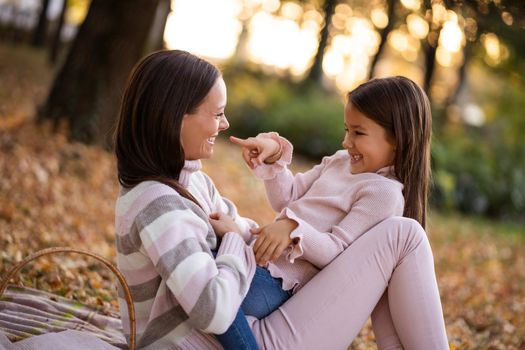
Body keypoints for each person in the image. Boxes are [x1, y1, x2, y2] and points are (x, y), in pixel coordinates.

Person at [114, 50, 449, 350]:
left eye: (358, 133)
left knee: (404, 236)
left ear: (398, 139)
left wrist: (272, 230)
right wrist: (271, 180)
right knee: (407, 236)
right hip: (221, 329)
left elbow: (242, 228)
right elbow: (215, 304)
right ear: (175, 116)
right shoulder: (159, 202)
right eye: (217, 114)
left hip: (267, 296)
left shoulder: (193, 183)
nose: (226, 123)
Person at [217, 76, 432, 347]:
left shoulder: (383, 194)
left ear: (398, 140)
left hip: (277, 284)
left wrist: (293, 230)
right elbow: (289, 197)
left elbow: (336, 252)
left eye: (359, 133)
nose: (346, 142)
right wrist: (274, 160)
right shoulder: (340, 162)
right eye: (347, 130)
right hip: (258, 261)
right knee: (199, 259)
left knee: (207, 283)